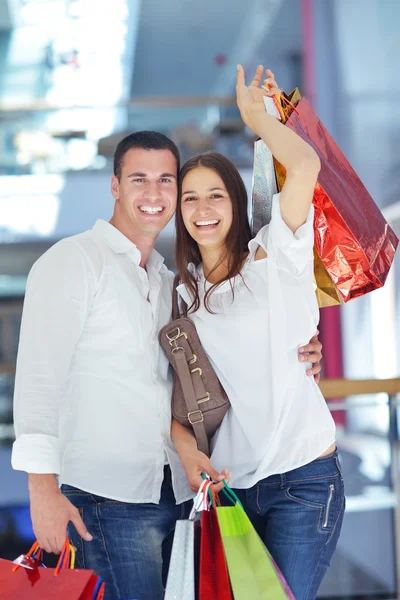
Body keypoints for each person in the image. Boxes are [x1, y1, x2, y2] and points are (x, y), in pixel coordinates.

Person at [11, 127, 324, 598]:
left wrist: (301, 345)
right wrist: (42, 488)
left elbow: (188, 383)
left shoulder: (170, 282)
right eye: (139, 179)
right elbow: (38, 376)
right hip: (106, 497)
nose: (154, 193)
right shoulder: (73, 261)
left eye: (165, 180)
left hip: (179, 495)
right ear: (115, 186)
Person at [171, 66, 345, 600]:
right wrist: (185, 452)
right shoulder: (182, 294)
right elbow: (177, 403)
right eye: (190, 199)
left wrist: (258, 119)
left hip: (303, 481)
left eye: (216, 195)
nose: (203, 210)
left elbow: (306, 164)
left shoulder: (273, 255)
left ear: (237, 202)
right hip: (232, 489)